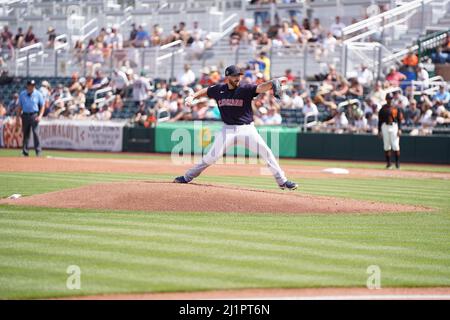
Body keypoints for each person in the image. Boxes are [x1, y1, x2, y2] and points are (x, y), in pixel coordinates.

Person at [173, 65, 298, 190]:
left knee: (267, 152)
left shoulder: (246, 88)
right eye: (234, 75)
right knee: (211, 157)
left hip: (247, 129)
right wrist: (193, 96)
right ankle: (187, 177)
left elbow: (260, 87)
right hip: (228, 130)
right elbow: (206, 90)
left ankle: (283, 181)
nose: (237, 77)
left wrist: (272, 83)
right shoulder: (219, 89)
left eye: (239, 75)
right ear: (227, 77)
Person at [16, 80, 45, 157]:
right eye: (30, 85)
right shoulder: (22, 94)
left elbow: (42, 106)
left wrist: (40, 116)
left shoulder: (38, 94)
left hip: (34, 115)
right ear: (27, 85)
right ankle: (25, 151)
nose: (32, 86)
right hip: (25, 115)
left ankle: (38, 152)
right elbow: (19, 107)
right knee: (25, 134)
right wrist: (18, 118)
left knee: (36, 133)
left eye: (33, 85)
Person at [378, 93, 403, 169]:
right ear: (386, 99)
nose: (390, 100)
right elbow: (380, 121)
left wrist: (400, 129)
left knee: (395, 145)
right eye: (388, 98)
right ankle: (388, 164)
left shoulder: (396, 108)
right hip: (385, 126)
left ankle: (397, 164)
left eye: (391, 99)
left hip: (394, 126)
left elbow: (399, 120)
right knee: (386, 146)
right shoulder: (383, 108)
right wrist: (379, 131)